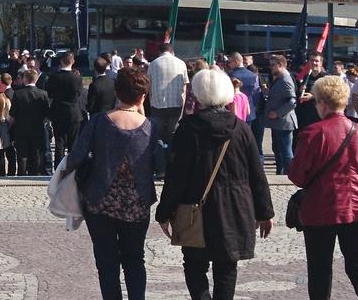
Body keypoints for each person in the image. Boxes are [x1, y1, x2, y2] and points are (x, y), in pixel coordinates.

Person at [156, 69, 274, 300]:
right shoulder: (241, 128)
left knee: (193, 263)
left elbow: (176, 175)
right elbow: (257, 174)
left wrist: (165, 211)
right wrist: (264, 212)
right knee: (227, 266)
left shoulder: (188, 129)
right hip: (234, 206)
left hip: (195, 207)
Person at [289, 75, 358, 300]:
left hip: (321, 208)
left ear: (322, 103)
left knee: (320, 270)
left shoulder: (313, 133)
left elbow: (297, 177)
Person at [63, 68, 156, 300]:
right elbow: (159, 163)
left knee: (106, 263)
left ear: (117, 92)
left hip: (100, 201)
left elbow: (75, 158)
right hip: (137, 203)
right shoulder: (150, 128)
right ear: (143, 96)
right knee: (135, 260)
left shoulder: (98, 122)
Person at [147, 43, 189, 176]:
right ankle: (173, 168)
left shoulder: (153, 64)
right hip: (176, 105)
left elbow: (149, 86)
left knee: (157, 136)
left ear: (160, 52)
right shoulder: (181, 63)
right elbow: (184, 87)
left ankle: (161, 168)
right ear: (172, 51)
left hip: (158, 105)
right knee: (173, 136)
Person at [45, 52, 84, 167]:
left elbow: (50, 94)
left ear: (61, 61)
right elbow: (79, 94)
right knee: (73, 142)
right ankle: (72, 167)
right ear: (73, 62)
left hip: (58, 111)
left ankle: (59, 167)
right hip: (73, 112)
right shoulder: (77, 78)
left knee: (59, 142)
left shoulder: (54, 77)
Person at [10, 69, 49, 175]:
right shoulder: (43, 94)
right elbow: (47, 114)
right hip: (38, 129)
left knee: (22, 156)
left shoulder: (18, 94)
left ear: (24, 79)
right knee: (36, 156)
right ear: (36, 80)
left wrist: (10, 127)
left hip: (21, 129)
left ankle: (21, 175)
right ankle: (35, 174)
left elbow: (13, 114)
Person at [264, 54, 298, 174]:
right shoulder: (278, 79)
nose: (270, 67)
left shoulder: (285, 79)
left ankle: (290, 174)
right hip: (277, 123)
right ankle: (280, 172)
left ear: (281, 65)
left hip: (284, 122)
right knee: (277, 150)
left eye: (273, 65)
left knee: (285, 151)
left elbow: (292, 101)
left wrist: (277, 113)